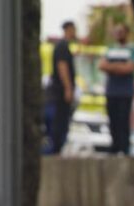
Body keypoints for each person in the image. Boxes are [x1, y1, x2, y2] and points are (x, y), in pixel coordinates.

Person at [98, 23, 134, 155]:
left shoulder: (133, 49)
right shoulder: (110, 48)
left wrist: (112, 66)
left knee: (124, 120)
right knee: (113, 120)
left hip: (125, 92)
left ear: (127, 33)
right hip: (112, 91)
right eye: (116, 32)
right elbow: (102, 65)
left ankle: (124, 147)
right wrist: (120, 67)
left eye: (121, 31)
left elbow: (130, 68)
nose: (118, 34)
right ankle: (114, 146)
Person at [45, 21, 78, 155]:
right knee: (60, 123)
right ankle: (55, 149)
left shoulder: (63, 46)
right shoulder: (62, 46)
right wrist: (68, 88)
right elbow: (62, 67)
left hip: (59, 92)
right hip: (59, 93)